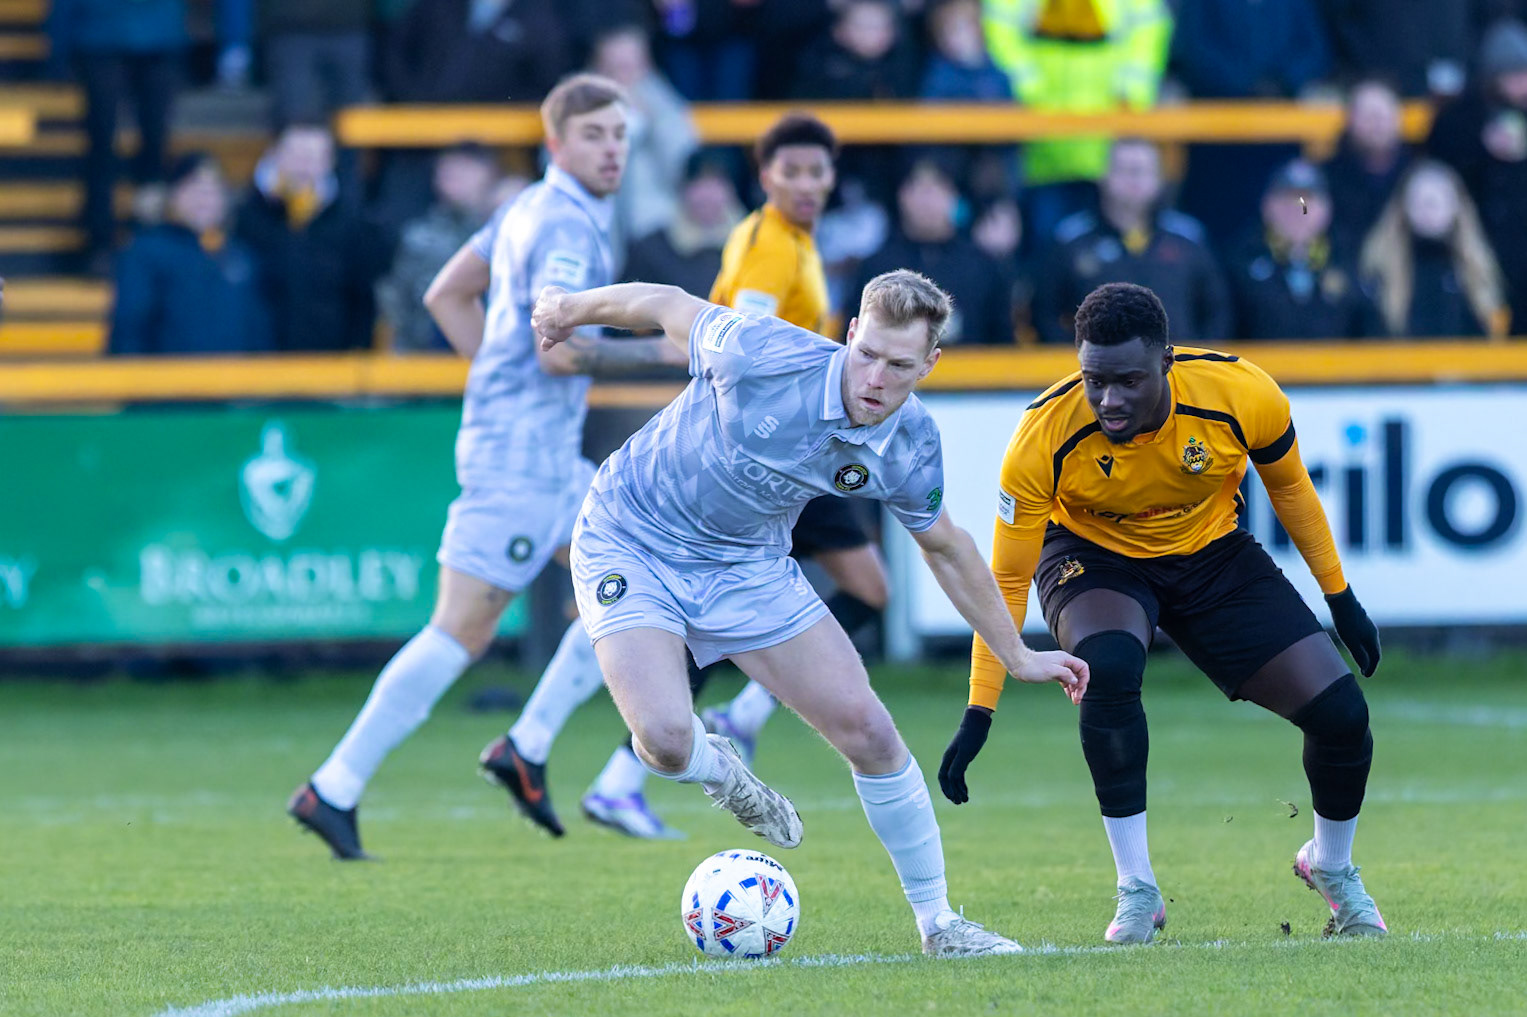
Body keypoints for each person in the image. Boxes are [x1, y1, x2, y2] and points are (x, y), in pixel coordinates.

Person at [531, 269, 1090, 956]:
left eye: (899, 365)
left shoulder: (909, 443)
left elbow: (945, 546)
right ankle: (724, 772)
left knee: (872, 733)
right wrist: (568, 309)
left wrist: (1016, 652)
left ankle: (940, 924)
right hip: (631, 535)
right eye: (868, 354)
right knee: (667, 740)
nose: (876, 377)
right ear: (850, 333)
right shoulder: (760, 353)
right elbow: (664, 304)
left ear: (930, 364)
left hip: (747, 567)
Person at [287, 74, 689, 860]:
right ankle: (334, 786)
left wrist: (494, 372)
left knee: (647, 582)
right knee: (460, 629)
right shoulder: (567, 226)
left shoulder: (525, 209)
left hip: (536, 451)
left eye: (619, 136)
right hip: (521, 460)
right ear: (556, 144)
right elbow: (564, 346)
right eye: (594, 136)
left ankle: (527, 747)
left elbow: (448, 293)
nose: (611, 150)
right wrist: (666, 346)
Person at [938, 281, 1386, 944]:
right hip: (1093, 557)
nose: (1109, 399)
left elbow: (1290, 489)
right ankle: (1137, 888)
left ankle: (1330, 865)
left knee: (1342, 715)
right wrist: (981, 706)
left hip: (1211, 555)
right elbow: (1004, 576)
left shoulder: (1240, 395)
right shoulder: (1042, 436)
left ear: (1166, 361)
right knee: (1108, 665)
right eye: (1094, 380)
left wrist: (1338, 596)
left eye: (1128, 381)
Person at [701, 114, 895, 768]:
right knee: (715, 616)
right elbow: (743, 349)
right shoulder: (770, 247)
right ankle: (629, 767)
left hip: (794, 454)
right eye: (792, 172)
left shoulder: (795, 240)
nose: (807, 183)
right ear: (765, 176)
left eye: (817, 171)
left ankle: (736, 715)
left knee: (867, 589)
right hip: (762, 453)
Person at [983, 0, 1173, 247]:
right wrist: (1025, 86)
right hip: (1041, 142)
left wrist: (1132, 92)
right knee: (1047, 246)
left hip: (1108, 140)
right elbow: (999, 25)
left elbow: (1150, 24)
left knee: (1110, 252)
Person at [1036, 139, 1230, 346]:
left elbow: (1218, 309)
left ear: (1159, 179)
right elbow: (1044, 312)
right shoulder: (1071, 240)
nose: (1134, 180)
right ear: (1104, 176)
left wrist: (1197, 361)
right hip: (1097, 373)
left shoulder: (1188, 237)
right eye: (1125, 170)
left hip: (1175, 370)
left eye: (1143, 171)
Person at [233, 122, 389, 352]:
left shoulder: (349, 222)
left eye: (315, 157)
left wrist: (357, 350)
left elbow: (362, 295)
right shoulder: (246, 218)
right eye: (297, 154)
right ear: (275, 155)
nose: (305, 165)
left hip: (331, 363)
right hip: (258, 365)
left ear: (330, 162)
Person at [109, 153, 272, 355]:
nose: (204, 200)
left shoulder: (241, 255)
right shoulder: (145, 251)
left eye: (213, 191)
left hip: (234, 382)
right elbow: (129, 329)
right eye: (194, 190)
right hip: (167, 382)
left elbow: (258, 332)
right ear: (174, 195)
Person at [1428, 18, 1527, 334]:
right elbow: (1438, 158)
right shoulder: (1463, 114)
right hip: (1474, 241)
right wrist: (1483, 146)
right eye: (1513, 74)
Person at [853, 158, 1017, 345]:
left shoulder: (983, 266)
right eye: (919, 189)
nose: (928, 200)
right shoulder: (878, 267)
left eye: (937, 189)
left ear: (954, 196)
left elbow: (1004, 342)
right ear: (902, 196)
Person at [1228, 159, 1378, 340]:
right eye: (1287, 200)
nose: (1298, 209)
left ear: (1327, 209)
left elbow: (1369, 331)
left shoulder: (1349, 261)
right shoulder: (1240, 263)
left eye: (1308, 201)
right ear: (1267, 206)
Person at [1358, 160, 1509, 337]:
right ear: (1403, 206)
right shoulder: (1378, 269)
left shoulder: (1478, 271)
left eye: (1439, 198)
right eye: (1419, 199)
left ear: (1457, 205)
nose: (1428, 208)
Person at [377, 144, 502, 352]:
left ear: (489, 174)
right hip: (426, 357)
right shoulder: (417, 236)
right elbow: (396, 303)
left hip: (498, 353)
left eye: (465, 168)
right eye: (447, 170)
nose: (455, 177)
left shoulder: (510, 232)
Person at [589, 24, 700, 251]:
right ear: (598, 68)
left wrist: (652, 122)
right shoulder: (577, 103)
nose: (623, 79)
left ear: (646, 66)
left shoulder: (660, 100)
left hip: (655, 225)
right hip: (594, 223)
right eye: (614, 69)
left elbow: (684, 165)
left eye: (631, 68)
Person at [620, 154, 744, 297]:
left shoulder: (750, 246)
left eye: (716, 183)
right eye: (698, 183)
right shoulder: (650, 250)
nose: (706, 195)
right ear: (683, 189)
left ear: (732, 190)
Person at [1324, 78, 1414, 255]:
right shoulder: (1324, 174)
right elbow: (1301, 200)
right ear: (1350, 120)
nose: (1377, 123)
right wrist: (1304, 211)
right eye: (1368, 116)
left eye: (1384, 114)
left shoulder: (1418, 175)